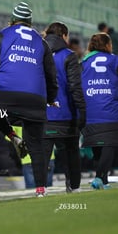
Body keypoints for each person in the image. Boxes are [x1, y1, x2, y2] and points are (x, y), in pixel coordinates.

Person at [0, 2, 58, 197]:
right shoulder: (42, 42)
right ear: (30, 22)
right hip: (35, 100)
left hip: (6, 98)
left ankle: (11, 135)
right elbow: (51, 76)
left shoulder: (1, 35)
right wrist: (50, 98)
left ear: (12, 21)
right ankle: (41, 189)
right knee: (36, 144)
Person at [42, 22, 86, 193]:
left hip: (44, 115)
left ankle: (40, 190)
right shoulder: (69, 55)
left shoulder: (38, 54)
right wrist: (82, 112)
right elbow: (75, 87)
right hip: (66, 115)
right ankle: (74, 187)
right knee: (71, 154)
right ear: (65, 36)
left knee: (43, 156)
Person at [81, 32, 118, 189]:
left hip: (89, 112)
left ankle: (104, 181)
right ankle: (98, 178)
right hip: (109, 111)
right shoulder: (114, 60)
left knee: (97, 145)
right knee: (110, 144)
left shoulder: (83, 63)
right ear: (108, 45)